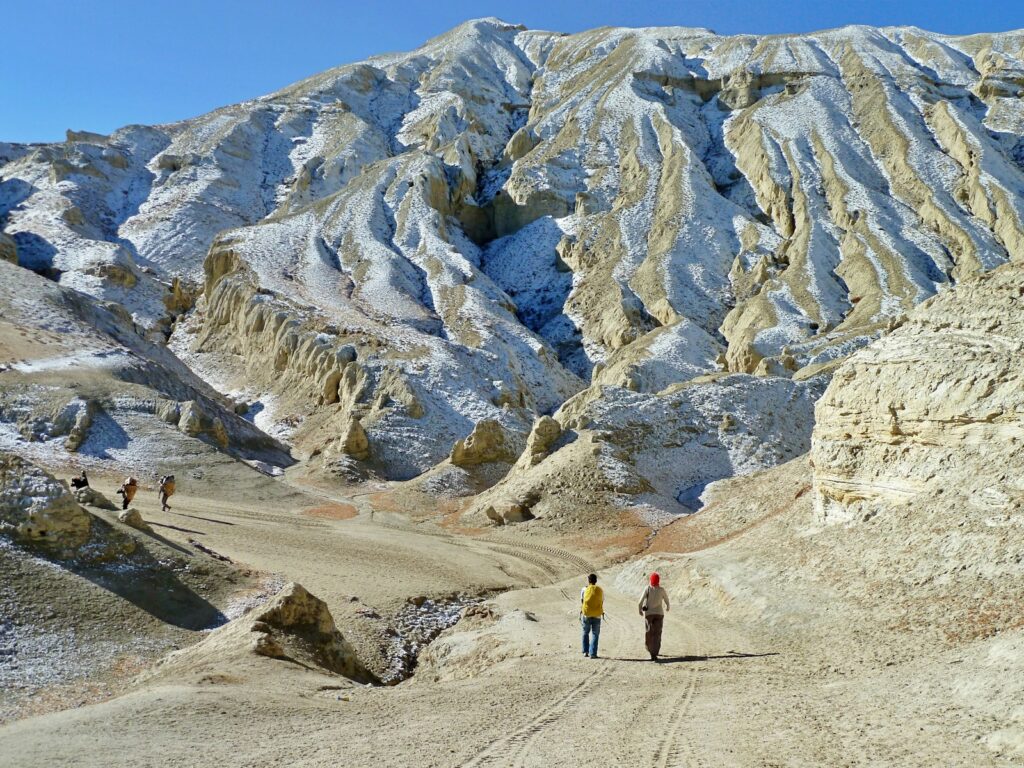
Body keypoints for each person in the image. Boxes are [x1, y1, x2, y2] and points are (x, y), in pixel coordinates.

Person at [638, 572, 670, 661]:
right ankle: (655, 652)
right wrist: (668, 606)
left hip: (649, 614)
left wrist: (640, 610)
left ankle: (649, 648)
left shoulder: (647, 588)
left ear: (650, 580)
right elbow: (667, 600)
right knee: (657, 633)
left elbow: (640, 602)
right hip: (659, 614)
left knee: (649, 632)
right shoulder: (662, 590)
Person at [580, 573, 604, 659]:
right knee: (595, 634)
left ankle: (585, 652)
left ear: (588, 580)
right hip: (597, 615)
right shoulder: (600, 590)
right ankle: (593, 654)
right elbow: (602, 601)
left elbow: (582, 601)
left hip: (586, 614)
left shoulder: (584, 589)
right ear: (596, 581)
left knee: (585, 632)